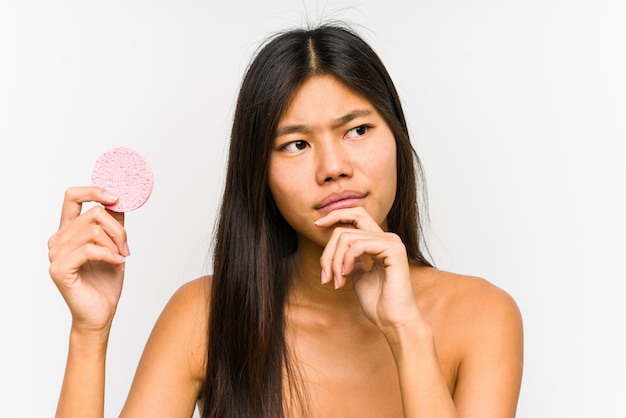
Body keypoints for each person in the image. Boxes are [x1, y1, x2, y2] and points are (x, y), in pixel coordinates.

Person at [48, 24, 523, 417]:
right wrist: (89, 334)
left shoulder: (483, 316)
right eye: (296, 144)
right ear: (261, 172)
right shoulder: (205, 315)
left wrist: (406, 331)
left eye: (357, 130)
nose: (333, 166)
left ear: (396, 137)